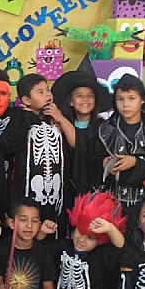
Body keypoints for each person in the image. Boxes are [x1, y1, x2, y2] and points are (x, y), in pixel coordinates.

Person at [10, 74, 70, 238]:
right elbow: (9, 145)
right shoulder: (19, 117)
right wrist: (29, 119)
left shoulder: (56, 118)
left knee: (52, 230)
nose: (47, 95)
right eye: (40, 92)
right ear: (26, 100)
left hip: (55, 192)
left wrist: (59, 119)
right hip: (28, 191)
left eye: (48, 90)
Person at [91, 74, 145, 211]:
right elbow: (93, 159)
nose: (125, 104)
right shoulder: (105, 129)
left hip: (143, 201)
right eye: (120, 99)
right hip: (109, 201)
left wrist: (135, 162)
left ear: (142, 99)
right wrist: (104, 163)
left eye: (131, 98)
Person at [51, 54, 112, 195]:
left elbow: (79, 144)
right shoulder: (60, 126)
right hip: (63, 188)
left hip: (92, 190)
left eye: (90, 96)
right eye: (79, 96)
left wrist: (61, 118)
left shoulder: (104, 128)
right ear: (71, 102)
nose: (85, 100)